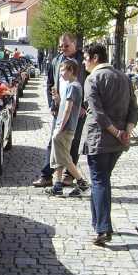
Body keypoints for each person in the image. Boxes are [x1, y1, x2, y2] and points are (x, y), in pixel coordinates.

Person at [83, 42, 138, 245]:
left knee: (99, 181)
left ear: (95, 58)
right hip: (118, 142)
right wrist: (126, 132)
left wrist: (116, 132)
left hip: (100, 139)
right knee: (102, 181)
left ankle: (103, 228)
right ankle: (98, 223)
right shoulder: (123, 77)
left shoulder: (93, 78)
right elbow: (135, 109)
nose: (84, 62)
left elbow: (97, 113)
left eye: (86, 58)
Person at [32, 33, 88, 190]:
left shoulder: (83, 60)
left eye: (66, 45)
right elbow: (50, 83)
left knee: (73, 142)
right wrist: (52, 104)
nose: (63, 48)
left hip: (77, 110)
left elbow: (90, 85)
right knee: (53, 141)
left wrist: (85, 105)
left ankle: (69, 176)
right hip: (59, 108)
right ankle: (47, 176)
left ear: (75, 44)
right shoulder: (56, 60)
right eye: (61, 46)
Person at [45, 59, 88, 197]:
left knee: (64, 157)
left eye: (63, 70)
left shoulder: (73, 87)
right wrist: (57, 99)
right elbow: (65, 105)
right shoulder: (72, 86)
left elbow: (68, 110)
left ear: (71, 70)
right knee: (58, 156)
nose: (61, 73)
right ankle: (57, 186)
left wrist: (60, 128)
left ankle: (82, 182)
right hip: (65, 127)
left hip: (65, 128)